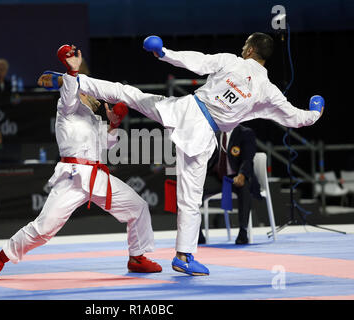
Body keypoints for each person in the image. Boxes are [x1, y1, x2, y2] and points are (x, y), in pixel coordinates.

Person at [51, 32, 324, 276]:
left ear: (251, 49)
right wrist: (315, 111)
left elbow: (198, 61)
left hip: (185, 110)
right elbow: (295, 117)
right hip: (202, 132)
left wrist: (163, 53)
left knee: (129, 93)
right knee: (190, 198)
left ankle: (75, 82)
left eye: (245, 45)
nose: (242, 48)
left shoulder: (232, 62)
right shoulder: (268, 90)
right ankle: (183, 256)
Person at [0, 45, 162, 280]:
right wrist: (72, 71)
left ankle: (137, 257)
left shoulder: (93, 119)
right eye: (85, 92)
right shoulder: (66, 109)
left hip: (97, 176)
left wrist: (113, 124)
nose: (91, 97)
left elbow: (106, 144)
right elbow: (70, 91)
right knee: (44, 229)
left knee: (138, 207)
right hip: (73, 177)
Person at [198, 124, 261, 245]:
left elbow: (247, 159)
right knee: (194, 188)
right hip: (218, 178)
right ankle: (197, 234)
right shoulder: (215, 134)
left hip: (236, 176)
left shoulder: (245, 132)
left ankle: (243, 231)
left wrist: (242, 175)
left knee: (244, 188)